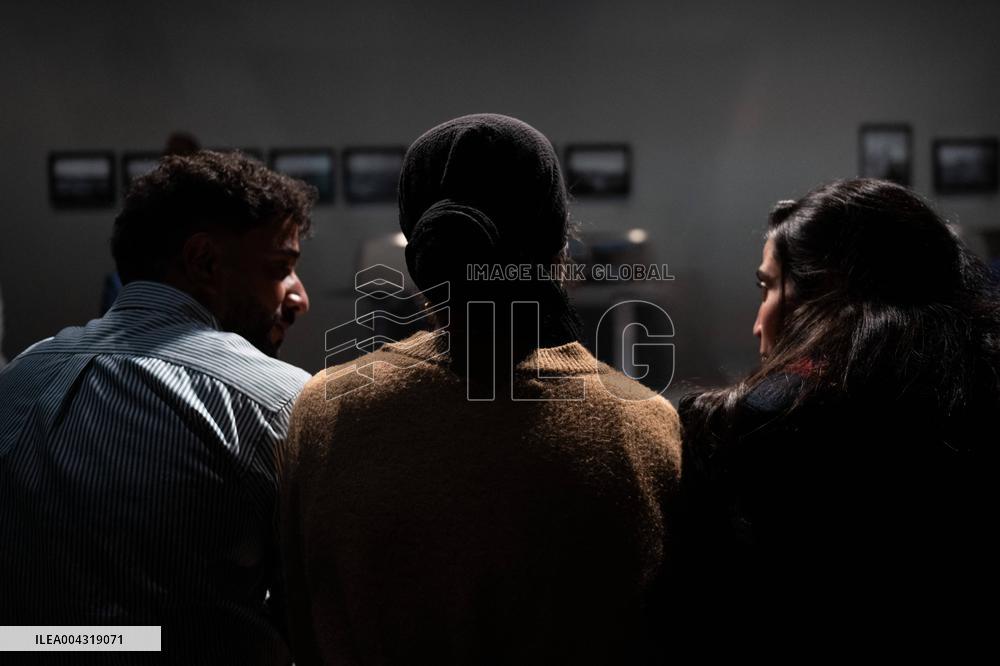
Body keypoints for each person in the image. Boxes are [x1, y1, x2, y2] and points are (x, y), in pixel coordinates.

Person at [280, 114, 682, 665]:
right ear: (557, 249)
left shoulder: (324, 409)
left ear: (419, 254)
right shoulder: (647, 423)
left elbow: (300, 622)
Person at [0, 150, 315, 664]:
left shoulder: (20, 379)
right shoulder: (273, 401)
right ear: (205, 262)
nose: (298, 298)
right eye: (281, 268)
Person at [678, 179, 998, 648]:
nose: (757, 321)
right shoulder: (976, 403)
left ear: (823, 294)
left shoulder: (756, 424)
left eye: (767, 287)